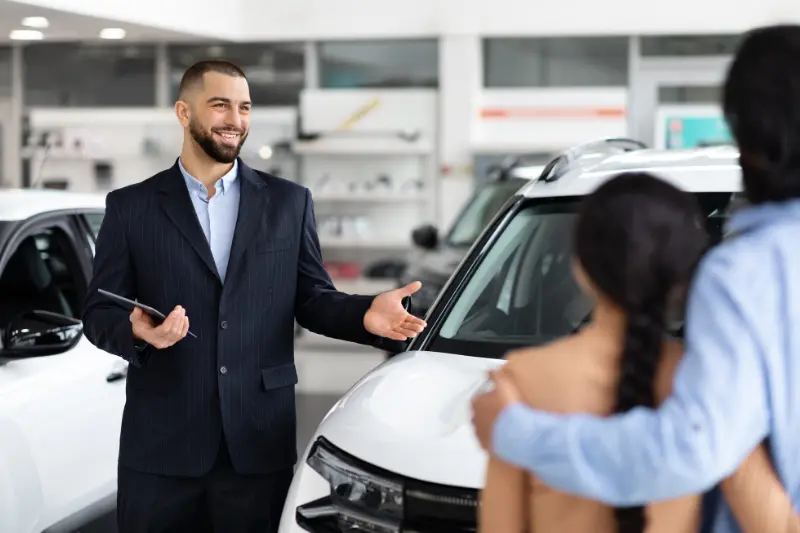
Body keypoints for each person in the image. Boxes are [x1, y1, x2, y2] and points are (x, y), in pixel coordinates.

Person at [471, 24, 800, 533]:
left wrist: (515, 432)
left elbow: (693, 449)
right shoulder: (684, 372)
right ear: (681, 273)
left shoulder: (519, 383)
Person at [82, 59, 426, 533]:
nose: (235, 120)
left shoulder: (288, 202)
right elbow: (99, 311)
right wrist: (135, 331)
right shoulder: (130, 207)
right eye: (220, 104)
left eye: (244, 107)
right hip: (161, 444)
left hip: (256, 438)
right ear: (184, 113)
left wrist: (364, 313)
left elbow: (312, 297)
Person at [477, 172, 799, 533]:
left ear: (580, 266)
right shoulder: (707, 387)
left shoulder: (519, 382)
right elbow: (771, 523)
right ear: (682, 276)